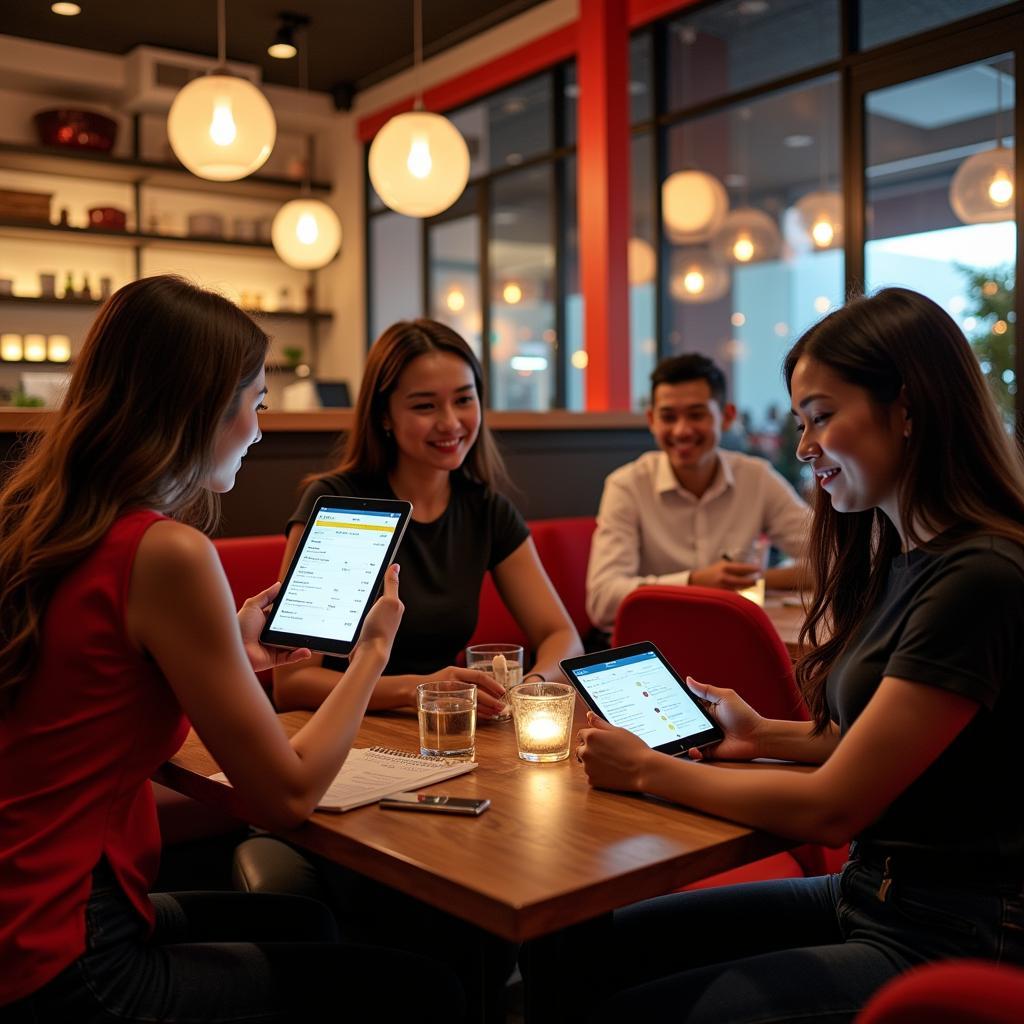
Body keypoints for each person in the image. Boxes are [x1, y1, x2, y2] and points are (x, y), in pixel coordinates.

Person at [0, 276, 463, 1024]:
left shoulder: (41, 521)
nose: (258, 429)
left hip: (29, 907)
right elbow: (285, 797)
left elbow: (89, 704)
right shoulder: (166, 553)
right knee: (427, 992)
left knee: (307, 925)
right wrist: (375, 648)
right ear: (201, 408)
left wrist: (231, 653)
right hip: (68, 953)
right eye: (256, 402)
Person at [570, 287, 1024, 1022]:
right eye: (801, 422)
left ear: (907, 407)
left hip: (953, 931)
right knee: (591, 947)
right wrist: (763, 735)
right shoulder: (908, 554)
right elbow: (876, 746)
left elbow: (834, 806)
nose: (806, 445)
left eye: (821, 417)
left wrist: (649, 771)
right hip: (872, 893)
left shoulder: (982, 575)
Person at [273, 317, 582, 715]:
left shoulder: (485, 508)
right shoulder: (339, 502)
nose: (451, 422)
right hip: (339, 735)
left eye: (464, 400)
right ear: (384, 416)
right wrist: (420, 689)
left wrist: (528, 687)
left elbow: (561, 636)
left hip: (445, 730)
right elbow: (293, 682)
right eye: (425, 406)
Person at [585, 353, 810, 635]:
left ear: (726, 416)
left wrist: (755, 578)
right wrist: (694, 583)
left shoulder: (757, 478)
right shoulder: (627, 485)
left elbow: (831, 556)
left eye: (696, 414)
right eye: (668, 417)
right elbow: (602, 600)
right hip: (652, 649)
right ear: (652, 420)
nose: (682, 430)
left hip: (733, 637)